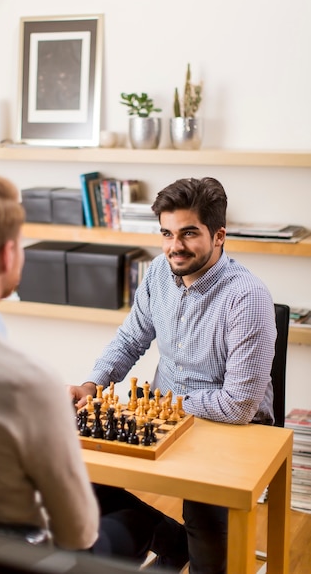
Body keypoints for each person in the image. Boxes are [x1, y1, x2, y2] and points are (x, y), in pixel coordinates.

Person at [0, 173, 175, 564]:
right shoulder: (29, 383)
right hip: (18, 563)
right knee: (135, 522)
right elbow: (77, 531)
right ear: (9, 256)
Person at [69, 176, 277, 574]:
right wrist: (92, 384)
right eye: (166, 233)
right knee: (78, 474)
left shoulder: (247, 297)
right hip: (165, 421)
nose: (173, 246)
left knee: (210, 553)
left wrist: (157, 407)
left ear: (219, 236)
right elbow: (130, 339)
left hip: (232, 431)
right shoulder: (158, 276)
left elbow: (238, 406)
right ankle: (170, 538)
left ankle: (190, 543)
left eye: (188, 233)